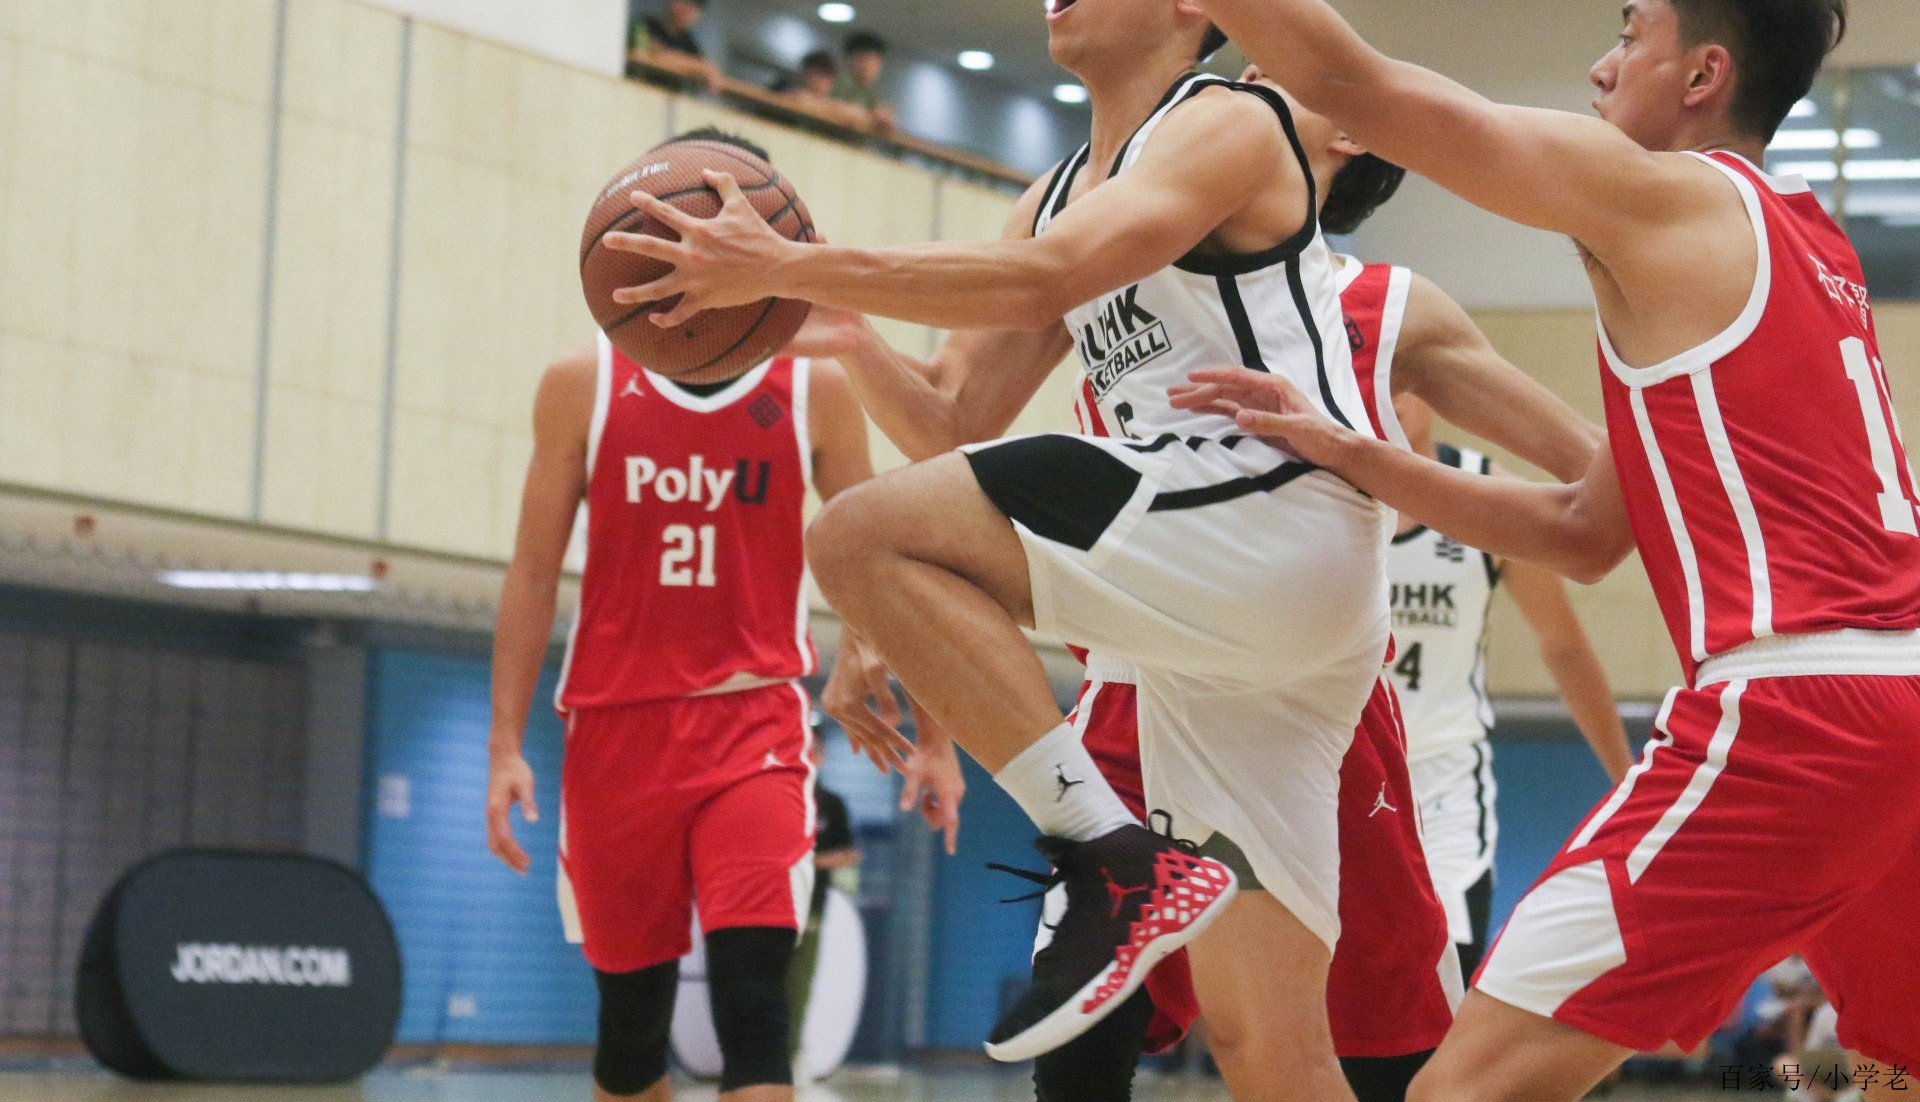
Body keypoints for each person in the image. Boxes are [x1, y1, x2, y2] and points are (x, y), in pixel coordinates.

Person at [609, 9, 1395, 1095]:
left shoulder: (1232, 122)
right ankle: (1120, 861)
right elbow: (952, 421)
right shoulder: (1059, 189)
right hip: (1237, 613)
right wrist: (840, 323)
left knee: (856, 534)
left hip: (1271, 517)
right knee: (1272, 1046)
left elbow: (1047, 279)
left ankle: (1112, 857)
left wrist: (798, 259)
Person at [1170, 0, 1920, 1096]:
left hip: (1797, 711)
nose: (1601, 65)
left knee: (1459, 1090)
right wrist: (1355, 451)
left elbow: (1360, 89)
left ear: (1703, 74)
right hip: (1901, 701)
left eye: (1632, 36)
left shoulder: (1666, 197)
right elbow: (1585, 532)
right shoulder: (1807, 247)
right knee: (1893, 1069)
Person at [484, 126, 886, 1102]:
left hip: (754, 722)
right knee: (628, 1051)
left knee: (756, 1013)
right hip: (614, 730)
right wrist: (503, 742)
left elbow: (875, 555)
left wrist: (870, 651)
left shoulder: (815, 386)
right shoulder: (580, 383)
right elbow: (534, 573)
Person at [1385, 392, 1632, 980]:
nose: (1390, 399)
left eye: (1403, 380)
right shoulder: (1321, 495)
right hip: (1342, 772)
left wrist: (1627, 776)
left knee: (1444, 968)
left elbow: (1564, 646)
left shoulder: (1490, 493)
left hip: (1444, 773)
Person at [784, 732, 858, 1059]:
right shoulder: (780, 794)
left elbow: (848, 853)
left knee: (798, 986)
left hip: (812, 905)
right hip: (772, 906)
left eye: (815, 749)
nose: (810, 755)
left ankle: (790, 1053)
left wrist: (807, 861)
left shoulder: (831, 803)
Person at [627, 0, 724, 93]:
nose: (688, 8)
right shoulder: (643, 25)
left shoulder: (691, 45)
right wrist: (701, 66)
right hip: (635, 93)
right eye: (685, 1)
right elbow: (649, 57)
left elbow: (706, 76)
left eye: (696, 4)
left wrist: (705, 69)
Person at [834, 32, 896, 132]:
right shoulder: (834, 80)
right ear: (848, 59)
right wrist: (867, 116)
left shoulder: (869, 96)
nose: (870, 67)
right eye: (864, 60)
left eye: (876, 62)